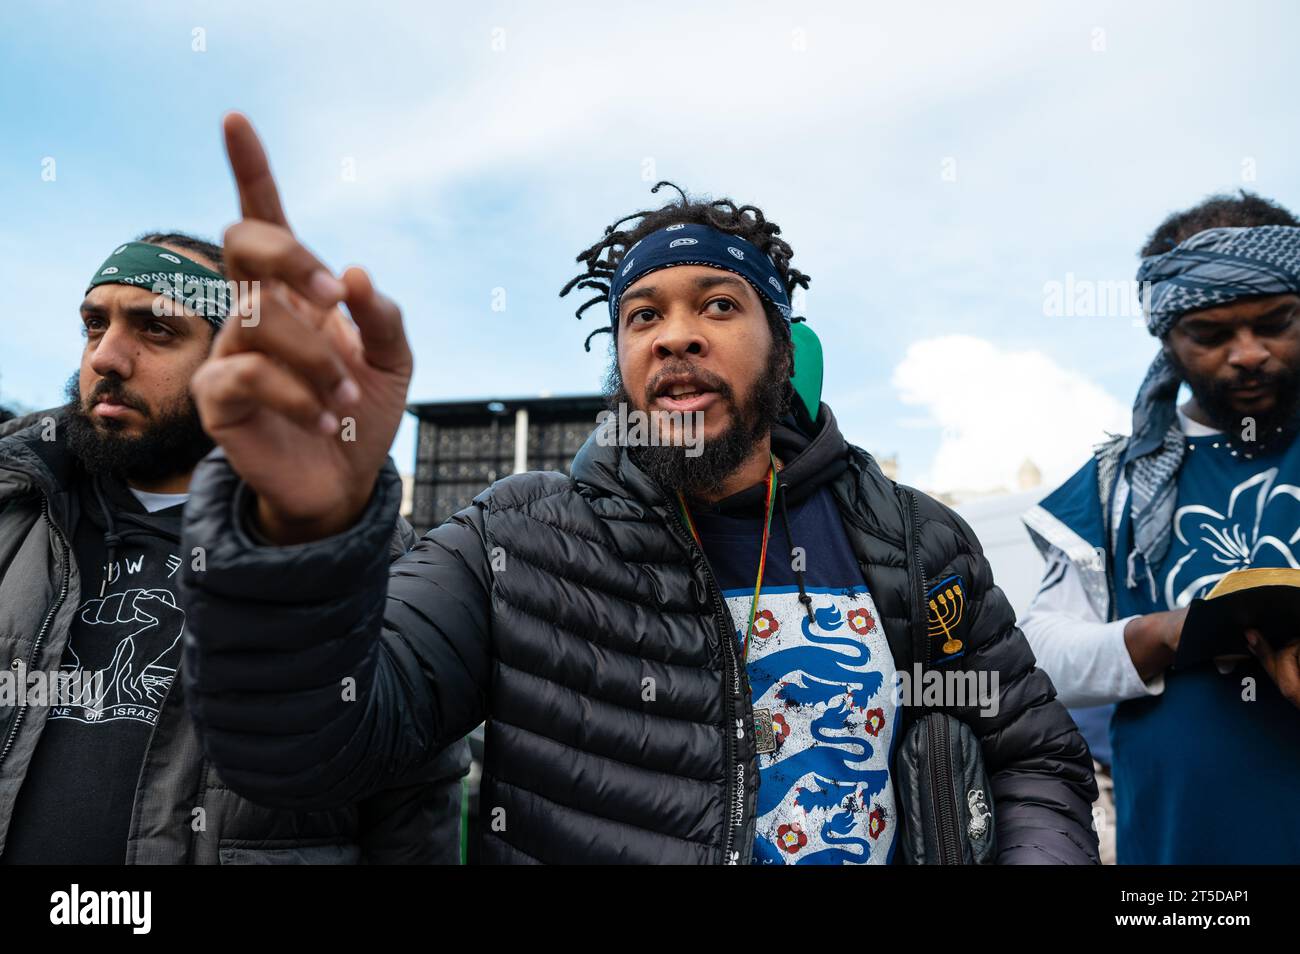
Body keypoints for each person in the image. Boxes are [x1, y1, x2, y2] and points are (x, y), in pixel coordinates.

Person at [178, 113, 1098, 864]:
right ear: (620, 360)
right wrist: (299, 534)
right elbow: (306, 751)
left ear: (782, 349)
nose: (676, 336)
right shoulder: (517, 539)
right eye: (643, 315)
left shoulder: (913, 540)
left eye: (719, 305)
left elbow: (1034, 757)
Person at [0, 232, 467, 864]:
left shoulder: (349, 550)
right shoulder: (17, 508)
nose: (106, 358)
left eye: (156, 330)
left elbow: (410, 801)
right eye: (93, 325)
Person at [1020, 191, 1300, 864]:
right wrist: (1169, 632)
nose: (1248, 353)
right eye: (1210, 335)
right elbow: (1041, 658)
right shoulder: (1115, 481)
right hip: (1184, 848)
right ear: (1167, 341)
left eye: (1277, 323)